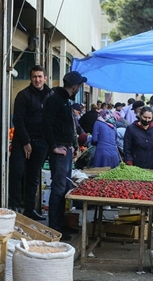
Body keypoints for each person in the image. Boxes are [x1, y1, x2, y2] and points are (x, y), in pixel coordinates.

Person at [43, 71, 87, 241]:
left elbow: (70, 127)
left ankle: (60, 223)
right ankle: (54, 227)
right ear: (75, 87)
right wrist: (54, 147)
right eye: (79, 86)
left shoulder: (64, 101)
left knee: (64, 188)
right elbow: (46, 125)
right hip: (60, 150)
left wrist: (74, 146)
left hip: (66, 149)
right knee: (59, 188)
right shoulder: (55, 100)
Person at [8, 65, 52, 220]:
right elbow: (18, 120)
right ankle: (13, 206)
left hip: (41, 142)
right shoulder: (23, 95)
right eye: (34, 77)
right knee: (17, 172)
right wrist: (26, 142)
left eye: (40, 76)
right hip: (22, 141)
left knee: (33, 176)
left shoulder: (50, 95)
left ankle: (29, 209)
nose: (37, 80)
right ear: (30, 78)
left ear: (45, 78)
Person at [123, 106, 153, 228]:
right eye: (145, 117)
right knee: (138, 193)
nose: (147, 120)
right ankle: (140, 218)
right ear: (140, 116)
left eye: (149, 118)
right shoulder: (131, 129)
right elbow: (127, 148)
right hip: (137, 165)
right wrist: (129, 163)